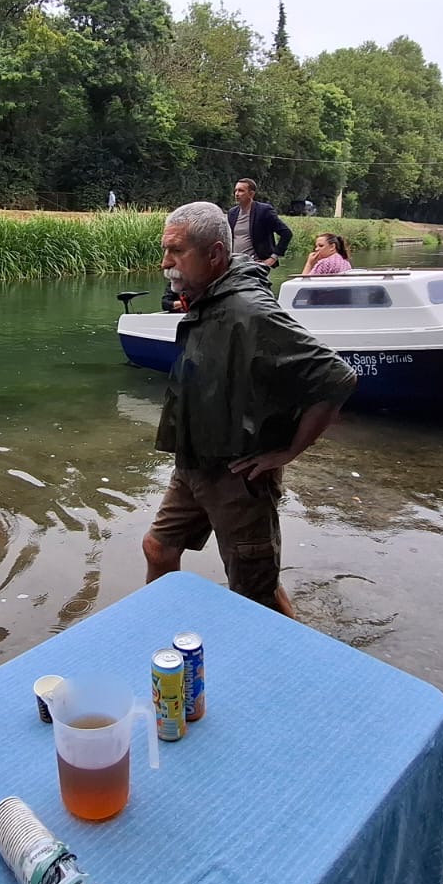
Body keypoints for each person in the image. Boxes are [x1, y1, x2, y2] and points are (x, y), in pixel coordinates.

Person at [143, 202, 356, 619]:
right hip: (193, 461)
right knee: (158, 548)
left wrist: (287, 453)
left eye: (176, 251)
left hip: (238, 475)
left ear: (216, 255)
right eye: (165, 250)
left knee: (254, 592)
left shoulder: (251, 311)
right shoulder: (209, 293)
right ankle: (163, 635)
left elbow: (337, 377)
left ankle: (287, 663)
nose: (165, 262)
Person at [225, 178, 293, 268]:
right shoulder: (232, 213)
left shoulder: (264, 211)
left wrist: (273, 258)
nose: (237, 194)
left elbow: (286, 233)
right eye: (236, 191)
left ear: (251, 194)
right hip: (235, 264)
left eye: (241, 191)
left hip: (256, 265)